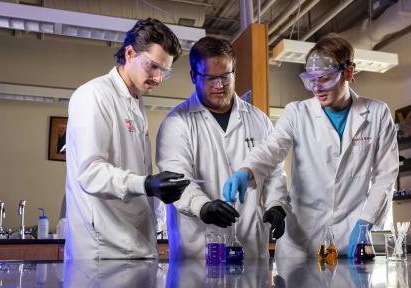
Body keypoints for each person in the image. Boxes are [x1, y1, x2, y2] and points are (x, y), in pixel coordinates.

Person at [223, 33, 399, 258]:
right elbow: (271, 149)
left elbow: (386, 175)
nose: (316, 88)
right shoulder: (297, 112)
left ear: (348, 72)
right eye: (310, 79)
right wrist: (245, 171)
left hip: (350, 238)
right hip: (302, 241)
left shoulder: (376, 113)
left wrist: (366, 223)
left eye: (324, 78)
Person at [65, 18, 190, 259]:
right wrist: (146, 184)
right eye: (153, 66)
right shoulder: (94, 95)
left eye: (165, 71)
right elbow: (90, 173)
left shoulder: (135, 101)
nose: (159, 78)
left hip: (135, 243)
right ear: (130, 53)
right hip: (103, 251)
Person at [156, 36, 289, 260]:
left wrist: (277, 204)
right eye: (210, 78)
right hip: (197, 254)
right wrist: (203, 206)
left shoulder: (259, 120)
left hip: (251, 251)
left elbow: (274, 170)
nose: (219, 85)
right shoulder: (176, 123)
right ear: (193, 76)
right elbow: (176, 180)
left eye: (226, 76)